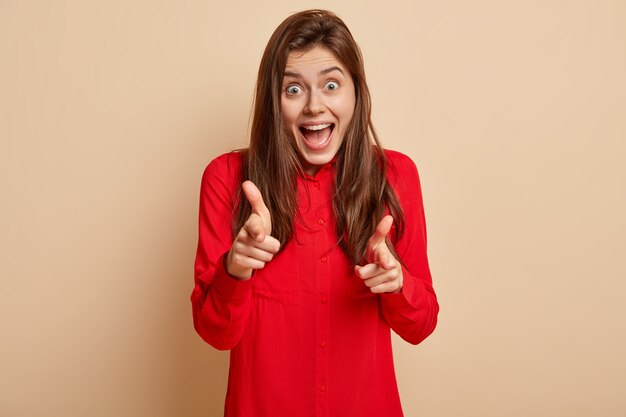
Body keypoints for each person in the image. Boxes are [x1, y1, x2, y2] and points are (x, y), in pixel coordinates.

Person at [191, 9, 438, 417]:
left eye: (331, 85)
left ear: (356, 92)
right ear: (273, 100)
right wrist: (234, 270)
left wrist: (398, 284)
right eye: (293, 89)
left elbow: (421, 325)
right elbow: (215, 334)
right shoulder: (227, 178)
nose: (314, 106)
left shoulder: (396, 176)